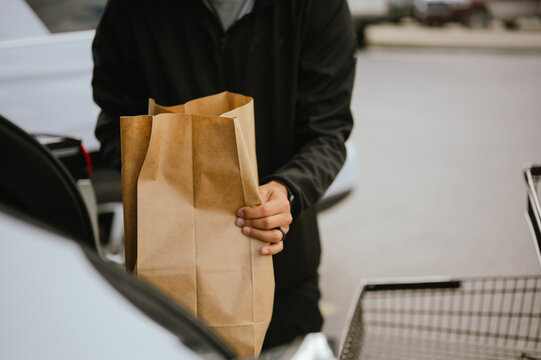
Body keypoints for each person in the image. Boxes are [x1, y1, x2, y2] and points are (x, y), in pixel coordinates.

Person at [92, 0, 356, 349]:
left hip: (282, 265)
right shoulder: (133, 10)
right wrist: (163, 178)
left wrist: (289, 189)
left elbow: (327, 131)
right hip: (167, 269)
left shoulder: (315, 7)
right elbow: (116, 122)